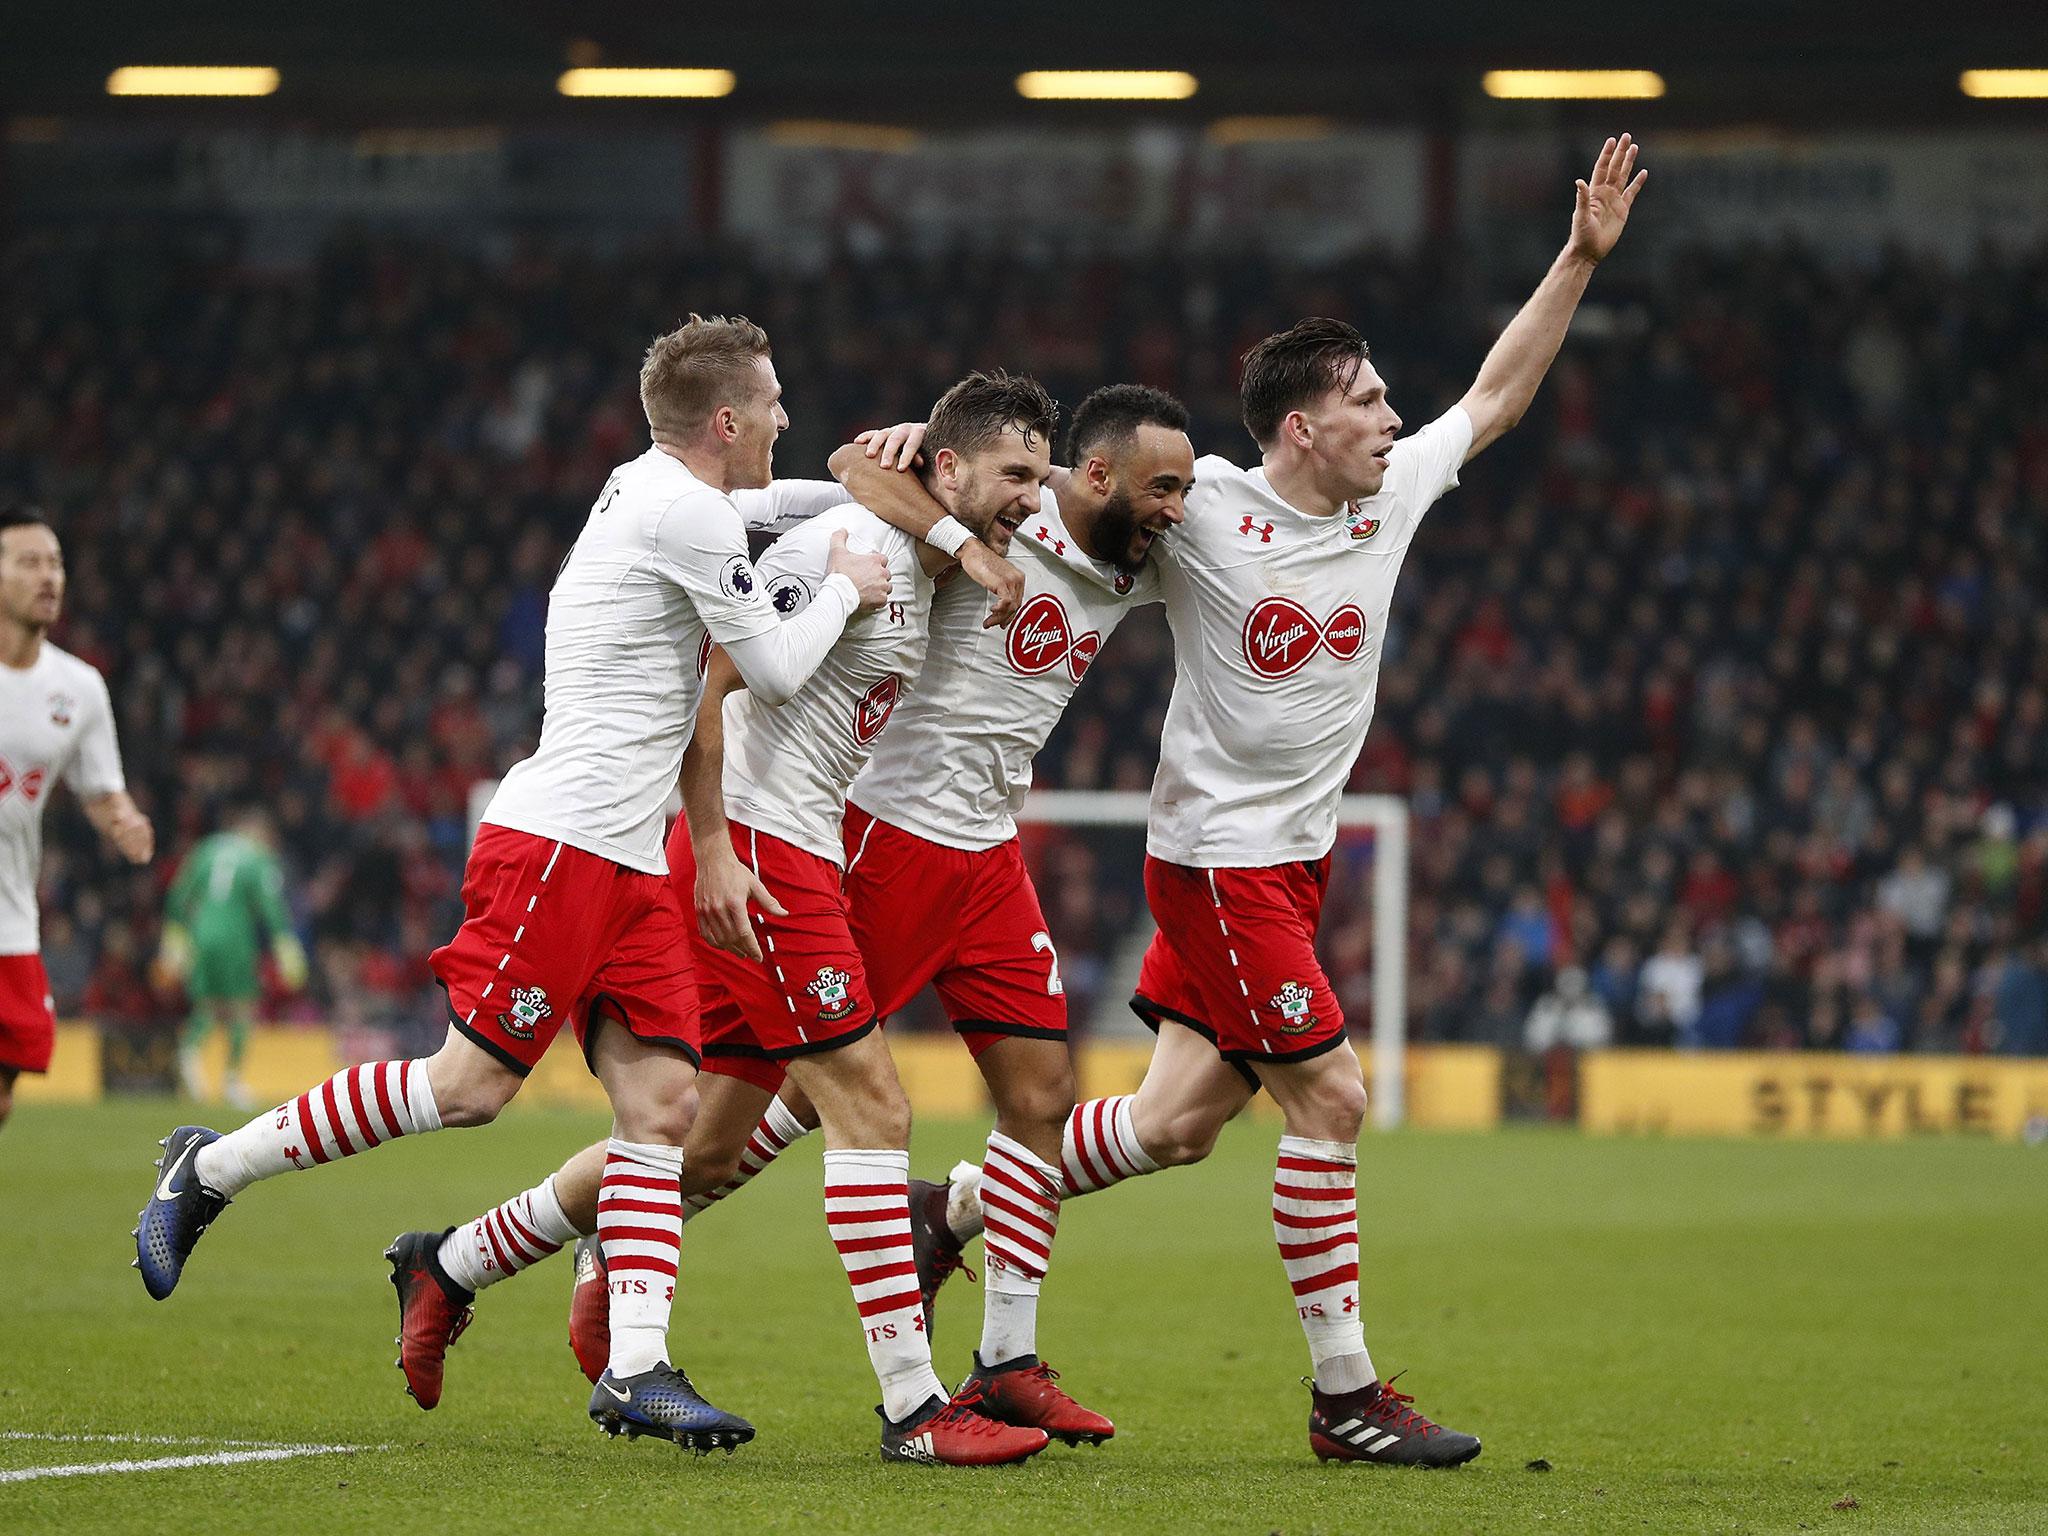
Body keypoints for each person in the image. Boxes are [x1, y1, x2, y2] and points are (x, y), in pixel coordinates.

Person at [928, 132, 1648, 1468]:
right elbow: (1064, 504)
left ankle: (957, 1208)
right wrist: (920, 487)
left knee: (1173, 1125)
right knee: (1330, 1102)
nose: (1393, 418)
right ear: (1305, 427)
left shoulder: (1392, 497)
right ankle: (1345, 1398)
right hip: (1216, 864)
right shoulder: (1201, 513)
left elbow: (1494, 397)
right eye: (1371, 401)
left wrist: (1578, 258)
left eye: (1387, 401)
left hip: (1293, 863)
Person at [133, 314, 891, 1453]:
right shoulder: (678, 511)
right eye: (776, 402)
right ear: (725, 419)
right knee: (471, 1086)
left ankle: (638, 1367)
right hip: (560, 847)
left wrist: (879, 487)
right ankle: (212, 1167)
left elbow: (771, 512)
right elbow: (776, 671)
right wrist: (846, 581)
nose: (789, 418)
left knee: (661, 1108)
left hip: (632, 862)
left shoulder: (660, 494)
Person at [411, 385, 1194, 1447]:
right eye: (1162, 488)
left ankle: (1002, 1362)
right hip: (865, 839)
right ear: (1084, 474)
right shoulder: (951, 513)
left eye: (1187, 491)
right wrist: (963, 538)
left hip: (980, 847)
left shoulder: (1150, 542)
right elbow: (859, 480)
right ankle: (510, 1258)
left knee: (1035, 1091)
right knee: (743, 1129)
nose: (1178, 509)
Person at [0, 507, 154, 1136]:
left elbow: (100, 790)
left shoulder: (79, 687)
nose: (48, 577)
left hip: (10, 920)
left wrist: (124, 821)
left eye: (55, 563)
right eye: (28, 562)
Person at [156, 807, 308, 1106]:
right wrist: (286, 947)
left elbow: (178, 896)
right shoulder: (257, 858)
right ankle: (232, 1081)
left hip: (201, 934)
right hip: (235, 938)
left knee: (208, 1005)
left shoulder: (206, 848)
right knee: (242, 1007)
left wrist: (174, 940)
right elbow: (271, 907)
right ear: (260, 833)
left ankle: (189, 1052)